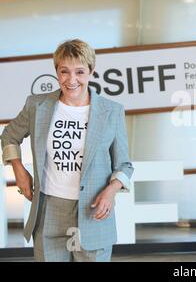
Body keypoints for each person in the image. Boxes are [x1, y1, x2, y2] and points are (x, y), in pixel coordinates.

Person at [1, 39, 134, 262]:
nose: (72, 80)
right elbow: (8, 136)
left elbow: (124, 165)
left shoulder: (112, 111)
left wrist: (111, 191)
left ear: (91, 71)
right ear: (56, 72)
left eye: (80, 72)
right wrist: (18, 169)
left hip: (93, 213)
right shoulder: (37, 105)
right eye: (64, 72)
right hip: (49, 212)